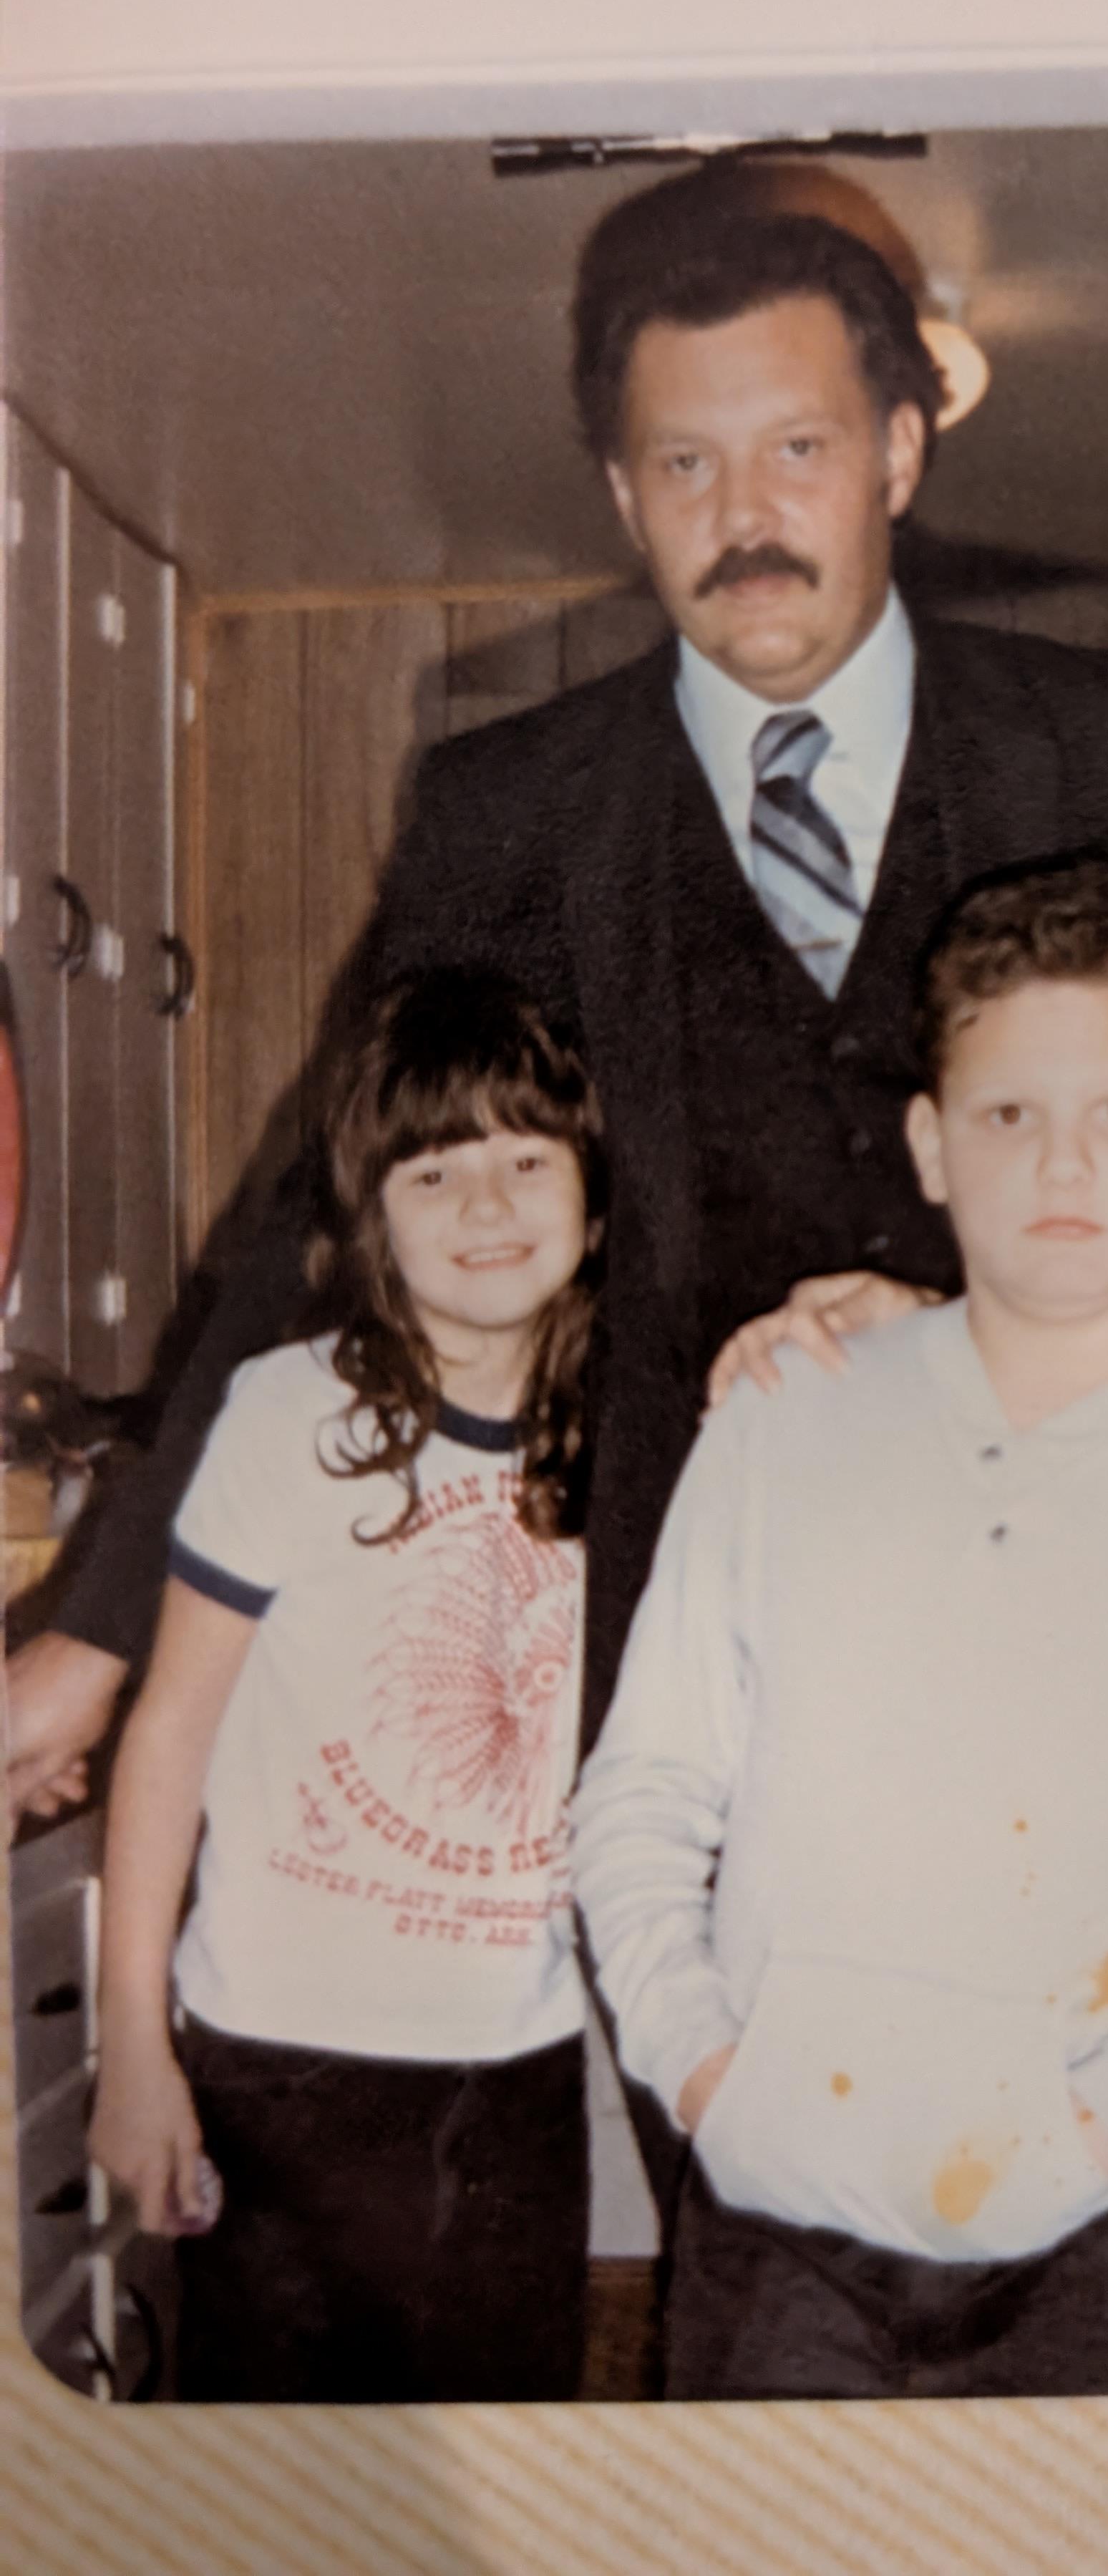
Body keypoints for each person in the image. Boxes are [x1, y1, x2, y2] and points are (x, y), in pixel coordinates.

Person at [6, 171, 1108, 1829]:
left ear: (900, 454)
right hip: (691, 1710)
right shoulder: (511, 811)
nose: (743, 516)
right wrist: (101, 1632)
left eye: (798, 448)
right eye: (686, 465)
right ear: (626, 497)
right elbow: (324, 1220)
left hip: (1103, 1644)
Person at [570, 851, 1108, 2399]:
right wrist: (711, 2074)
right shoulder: (787, 1415)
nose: (1064, 1165)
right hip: (784, 2237)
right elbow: (640, 1795)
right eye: (1007, 1117)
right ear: (931, 1145)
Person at [84, 970, 603, 2401]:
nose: (486, 1205)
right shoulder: (289, 1411)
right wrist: (135, 2049)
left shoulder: (630, 1429)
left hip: (519, 2060)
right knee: (277, 2481)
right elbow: (169, 1736)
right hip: (280, 2066)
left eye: (527, 1160)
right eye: (433, 1173)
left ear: (593, 1192)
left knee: (507, 2461)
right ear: (372, 1216)